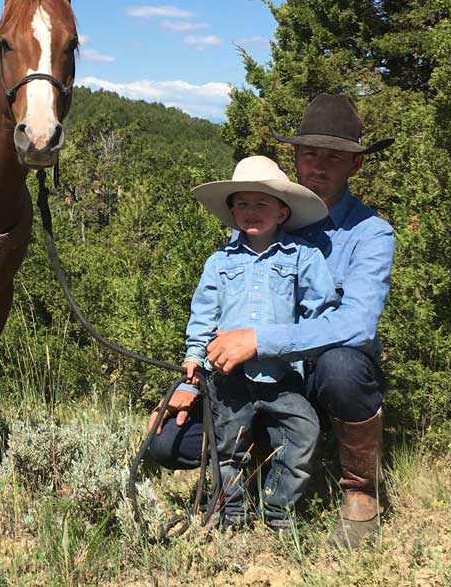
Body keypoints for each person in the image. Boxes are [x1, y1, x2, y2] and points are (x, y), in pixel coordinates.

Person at [148, 93, 394, 549]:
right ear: (296, 159)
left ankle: (359, 491)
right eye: (309, 154)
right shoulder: (259, 222)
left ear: (356, 165)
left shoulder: (370, 233)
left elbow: (359, 323)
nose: (318, 166)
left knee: (343, 366)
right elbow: (216, 309)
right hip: (244, 378)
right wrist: (194, 376)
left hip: (314, 377)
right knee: (167, 443)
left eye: (334, 157)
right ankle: (254, 458)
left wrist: (260, 341)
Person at [161, 155, 339, 530]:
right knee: (226, 446)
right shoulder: (218, 263)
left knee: (303, 432)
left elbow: (321, 311)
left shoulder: (303, 257)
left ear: (282, 212)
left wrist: (304, 351)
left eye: (261, 203)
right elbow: (203, 316)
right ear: (232, 211)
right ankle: (230, 512)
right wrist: (194, 358)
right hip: (229, 376)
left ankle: (279, 511)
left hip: (282, 376)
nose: (251, 211)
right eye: (242, 203)